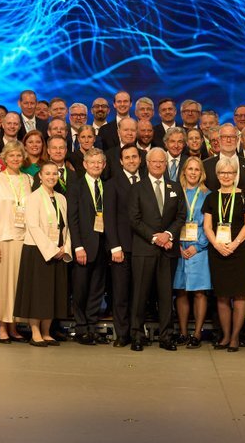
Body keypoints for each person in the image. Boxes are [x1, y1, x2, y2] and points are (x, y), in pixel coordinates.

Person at [128, 147, 187, 351]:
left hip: (168, 251)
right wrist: (156, 238)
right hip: (144, 249)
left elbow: (181, 216)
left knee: (165, 295)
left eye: (162, 161)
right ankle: (137, 335)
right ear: (147, 163)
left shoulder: (175, 187)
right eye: (154, 161)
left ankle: (166, 336)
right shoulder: (137, 188)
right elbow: (134, 219)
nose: (158, 164)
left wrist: (168, 235)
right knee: (140, 295)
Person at [14, 162, 73, 346]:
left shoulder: (61, 198)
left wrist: (65, 247)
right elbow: (33, 227)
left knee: (52, 293)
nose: (51, 177)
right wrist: (52, 250)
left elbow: (66, 227)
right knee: (37, 294)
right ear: (40, 176)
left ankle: (47, 332)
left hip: (58, 251)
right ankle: (35, 332)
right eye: (47, 173)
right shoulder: (33, 198)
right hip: (38, 251)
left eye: (54, 174)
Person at [203, 160, 245, 352]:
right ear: (217, 175)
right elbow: (207, 226)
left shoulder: (244, 196)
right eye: (222, 173)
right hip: (218, 250)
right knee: (222, 295)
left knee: (240, 294)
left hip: (240, 250)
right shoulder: (211, 197)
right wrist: (217, 245)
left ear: (235, 175)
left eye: (230, 173)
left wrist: (234, 244)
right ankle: (225, 336)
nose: (226, 176)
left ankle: (235, 337)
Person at [0, 142, 29, 343]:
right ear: (5, 158)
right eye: (12, 156)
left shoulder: (28, 180)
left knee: (17, 285)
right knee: (2, 286)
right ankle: (2, 327)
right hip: (2, 239)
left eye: (19, 155)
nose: (15, 159)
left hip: (23, 240)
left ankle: (14, 326)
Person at [67, 148, 109, 344]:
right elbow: (72, 219)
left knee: (97, 289)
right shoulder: (76, 186)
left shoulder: (106, 186)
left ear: (104, 164)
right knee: (80, 289)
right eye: (92, 162)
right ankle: (81, 327)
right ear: (84, 164)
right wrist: (78, 247)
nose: (96, 165)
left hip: (102, 245)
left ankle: (92, 326)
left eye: (99, 162)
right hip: (83, 247)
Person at [103, 145, 139, 347]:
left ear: (140, 159)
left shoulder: (146, 181)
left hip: (143, 247)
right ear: (121, 161)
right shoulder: (112, 184)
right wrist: (114, 246)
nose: (131, 160)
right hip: (121, 248)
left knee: (139, 294)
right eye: (127, 157)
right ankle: (123, 333)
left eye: (134, 157)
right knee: (121, 293)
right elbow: (109, 218)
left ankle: (137, 332)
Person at [172, 156, 210, 348]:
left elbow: (210, 225)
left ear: (201, 173)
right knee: (181, 291)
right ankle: (183, 332)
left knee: (199, 292)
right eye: (190, 169)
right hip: (179, 247)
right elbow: (170, 220)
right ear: (184, 171)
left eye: (197, 169)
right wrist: (177, 245)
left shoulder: (208, 194)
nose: (193, 172)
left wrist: (198, 246)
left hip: (200, 249)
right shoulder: (175, 192)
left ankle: (197, 334)